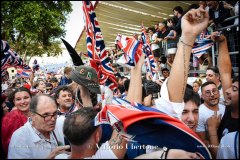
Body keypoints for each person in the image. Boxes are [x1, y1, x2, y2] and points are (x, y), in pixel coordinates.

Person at [205, 32, 239, 158]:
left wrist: (212, 130)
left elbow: (220, 154)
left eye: (234, 89)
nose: (228, 91)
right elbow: (225, 72)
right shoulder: (231, 107)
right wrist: (222, 41)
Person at [8, 94, 68, 159]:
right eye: (46, 115)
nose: (53, 119)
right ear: (33, 116)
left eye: (55, 113)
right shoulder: (20, 138)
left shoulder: (59, 123)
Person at [1, 87, 32, 156]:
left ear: (31, 98)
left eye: (26, 97)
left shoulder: (38, 113)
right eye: (18, 99)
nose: (23, 101)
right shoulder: (9, 119)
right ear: (14, 102)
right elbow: (9, 144)